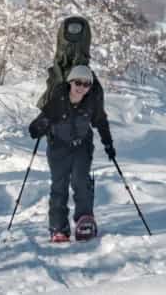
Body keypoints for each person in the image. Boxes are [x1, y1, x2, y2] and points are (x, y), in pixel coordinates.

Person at [29, 63, 116, 242]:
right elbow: (34, 128)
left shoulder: (91, 102)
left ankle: (85, 221)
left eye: (86, 84)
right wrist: (41, 126)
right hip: (58, 147)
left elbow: (101, 122)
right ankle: (58, 228)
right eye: (78, 83)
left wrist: (108, 144)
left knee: (81, 181)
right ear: (70, 82)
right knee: (59, 186)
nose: (81, 88)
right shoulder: (57, 101)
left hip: (82, 146)